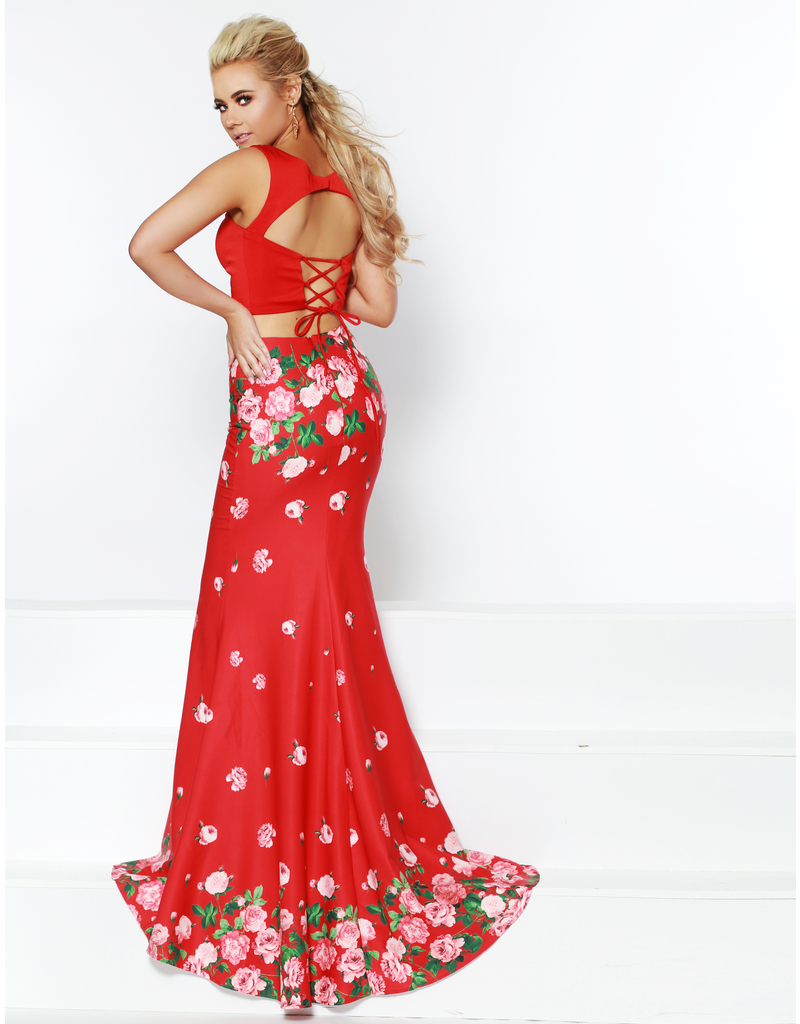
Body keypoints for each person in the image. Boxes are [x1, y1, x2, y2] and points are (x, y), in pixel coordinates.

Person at [111, 15, 539, 1008]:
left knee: (258, 623)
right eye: (219, 105)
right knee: (320, 615)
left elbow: (144, 246)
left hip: (278, 407)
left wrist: (233, 308)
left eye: (243, 98)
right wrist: (312, 283)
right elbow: (375, 310)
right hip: (345, 400)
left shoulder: (248, 173)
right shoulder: (353, 180)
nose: (230, 120)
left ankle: (268, 872)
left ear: (289, 89)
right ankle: (322, 851)